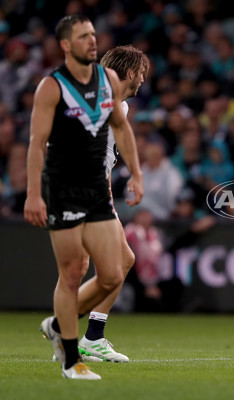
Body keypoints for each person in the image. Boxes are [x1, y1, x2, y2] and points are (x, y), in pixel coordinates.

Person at [24, 15, 143, 380]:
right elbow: (36, 143)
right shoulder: (52, 86)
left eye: (94, 34)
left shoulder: (108, 88)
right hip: (64, 188)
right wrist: (33, 193)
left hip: (97, 192)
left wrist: (137, 174)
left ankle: (69, 329)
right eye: (83, 36)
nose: (93, 41)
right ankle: (73, 353)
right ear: (65, 45)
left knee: (114, 270)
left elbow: (120, 133)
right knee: (74, 272)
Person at [71, 45, 149, 363]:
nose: (143, 79)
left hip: (93, 191)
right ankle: (66, 331)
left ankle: (88, 337)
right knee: (95, 266)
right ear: (130, 73)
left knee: (119, 261)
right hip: (85, 191)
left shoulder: (109, 101)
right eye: (141, 73)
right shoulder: (103, 101)